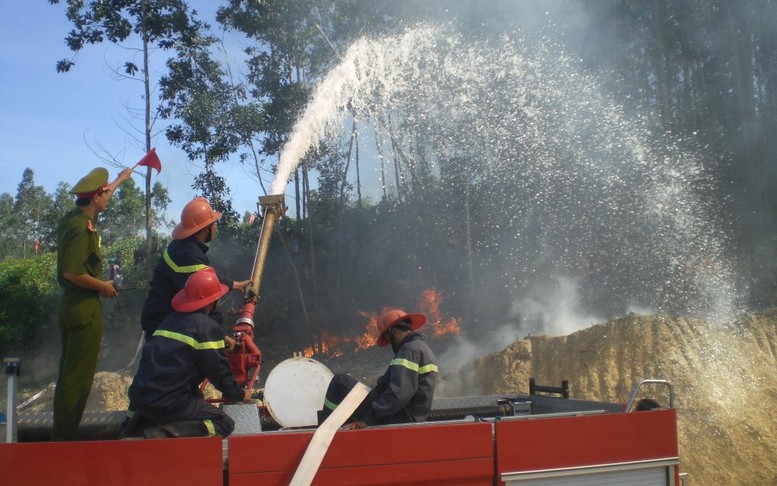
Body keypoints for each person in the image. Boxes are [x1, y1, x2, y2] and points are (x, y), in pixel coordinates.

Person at [121, 267, 252, 439]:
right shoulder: (206, 327)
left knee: (158, 409)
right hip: (172, 400)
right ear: (213, 301)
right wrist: (240, 394)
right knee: (223, 423)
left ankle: (129, 432)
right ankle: (161, 435)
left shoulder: (169, 321)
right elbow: (218, 372)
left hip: (141, 397)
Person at [52, 166, 133, 441]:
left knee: (69, 375)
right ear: (96, 197)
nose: (108, 197)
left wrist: (121, 178)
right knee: (77, 380)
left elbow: (106, 191)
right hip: (84, 307)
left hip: (72, 306)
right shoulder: (80, 229)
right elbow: (72, 273)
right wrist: (104, 287)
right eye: (105, 194)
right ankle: (63, 441)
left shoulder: (72, 219)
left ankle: (62, 435)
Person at [140, 197, 250, 339]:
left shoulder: (184, 246)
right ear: (206, 228)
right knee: (210, 320)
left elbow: (206, 273)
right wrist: (219, 338)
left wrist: (234, 284)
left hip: (163, 316)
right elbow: (205, 282)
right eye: (214, 223)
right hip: (164, 321)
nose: (216, 227)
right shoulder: (188, 253)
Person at [319, 309, 439, 428]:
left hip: (397, 417)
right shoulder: (423, 348)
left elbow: (399, 394)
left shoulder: (408, 350)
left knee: (339, 383)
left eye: (388, 338)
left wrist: (368, 420)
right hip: (406, 415)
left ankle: (326, 431)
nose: (390, 343)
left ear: (394, 332)